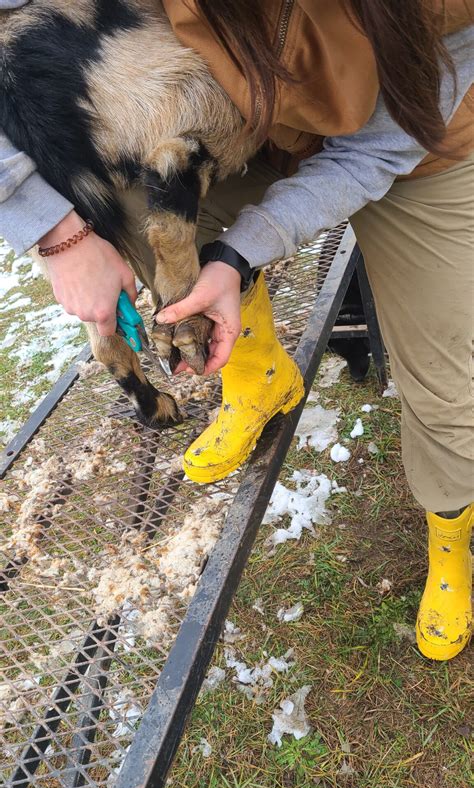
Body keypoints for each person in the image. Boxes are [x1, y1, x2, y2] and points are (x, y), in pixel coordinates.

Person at [0, 0, 472, 662]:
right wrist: (58, 233)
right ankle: (258, 379)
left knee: (445, 374)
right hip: (241, 124)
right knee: (144, 210)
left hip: (413, 143)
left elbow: (370, 155)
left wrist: (244, 247)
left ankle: (450, 531)